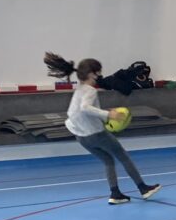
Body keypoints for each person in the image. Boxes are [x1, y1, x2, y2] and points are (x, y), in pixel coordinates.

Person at [43, 52, 161, 205]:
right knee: (123, 156)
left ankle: (115, 193)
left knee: (108, 160)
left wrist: (101, 115)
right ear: (92, 74)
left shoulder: (79, 89)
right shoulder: (90, 90)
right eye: (98, 71)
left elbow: (77, 112)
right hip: (96, 134)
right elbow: (85, 108)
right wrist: (108, 115)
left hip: (81, 137)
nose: (100, 75)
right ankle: (143, 188)